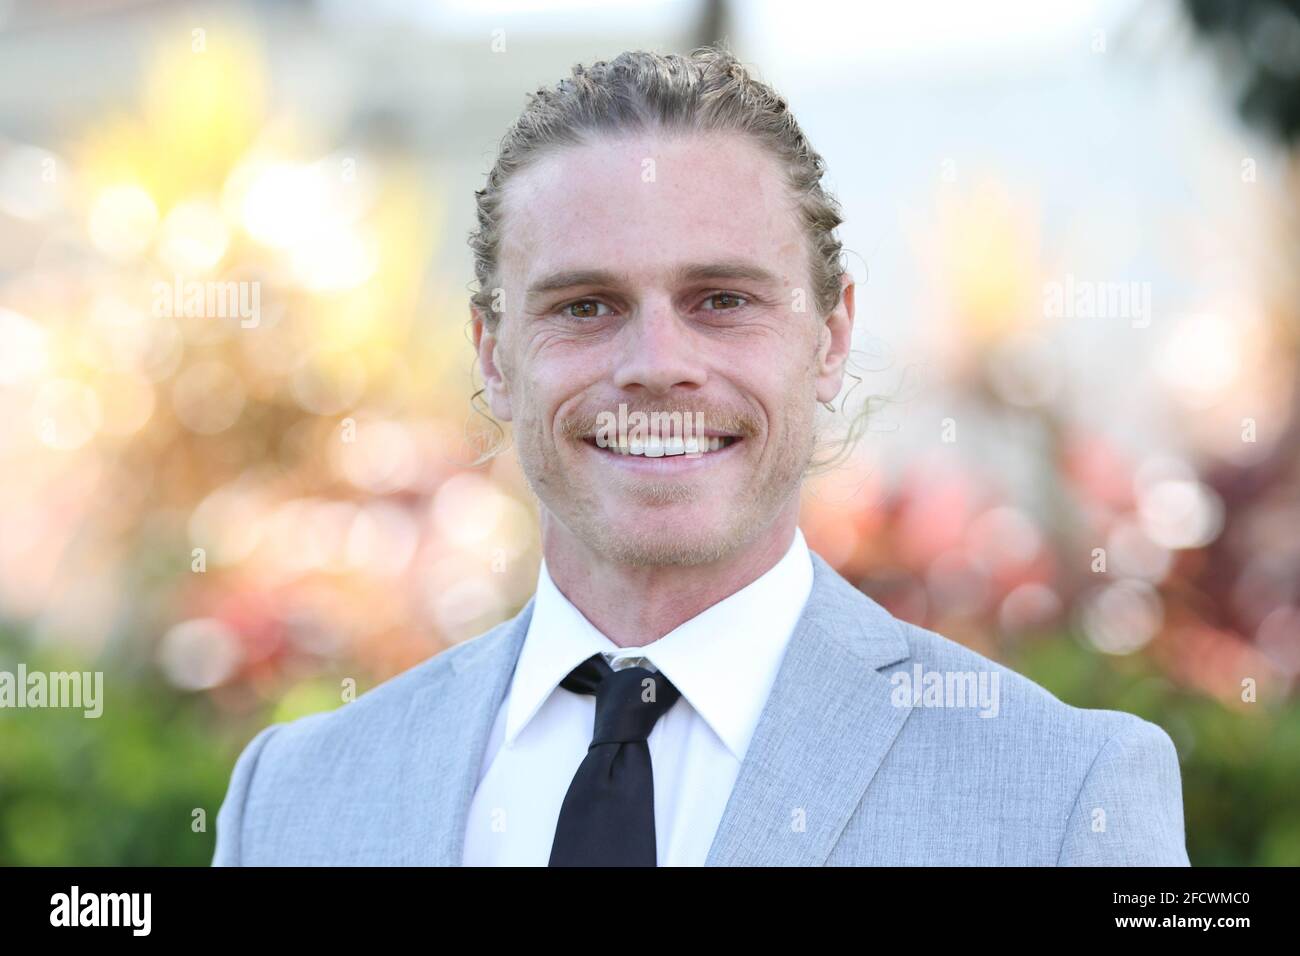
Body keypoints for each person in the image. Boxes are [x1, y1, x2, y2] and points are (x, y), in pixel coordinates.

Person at [212, 45, 1189, 866]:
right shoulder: (292, 802)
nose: (656, 365)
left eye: (721, 299)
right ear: (491, 353)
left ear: (831, 338)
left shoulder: (1065, 797)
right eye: (584, 305)